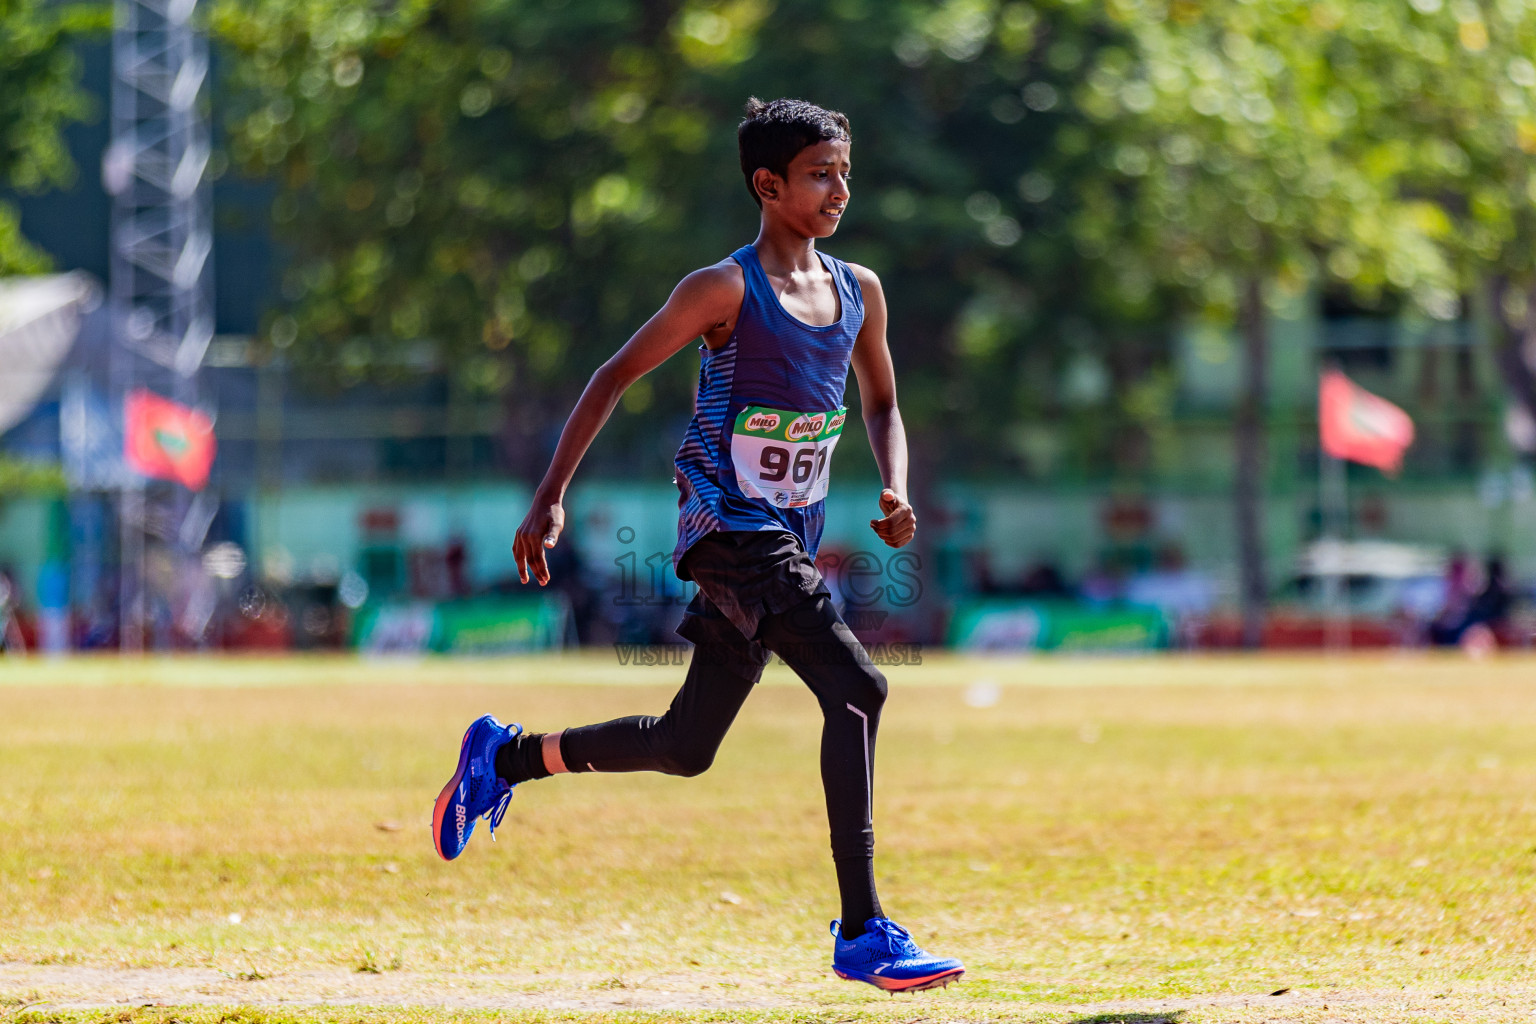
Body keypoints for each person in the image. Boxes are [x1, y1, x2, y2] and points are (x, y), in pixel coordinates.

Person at [432, 97, 963, 993]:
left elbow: (882, 403)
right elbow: (612, 378)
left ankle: (505, 755)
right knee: (860, 687)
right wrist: (550, 497)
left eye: (844, 171)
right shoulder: (721, 290)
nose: (840, 188)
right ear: (768, 184)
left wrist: (896, 481)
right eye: (819, 174)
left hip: (787, 532)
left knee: (686, 743)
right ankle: (865, 931)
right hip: (727, 529)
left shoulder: (859, 290)